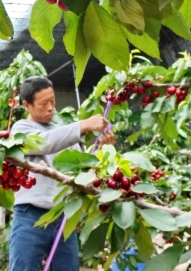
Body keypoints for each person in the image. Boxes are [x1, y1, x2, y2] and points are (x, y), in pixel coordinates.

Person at [9, 76, 115, 271]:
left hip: (63, 218)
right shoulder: (21, 130)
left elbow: (85, 173)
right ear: (27, 105)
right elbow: (45, 142)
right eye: (43, 103)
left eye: (53, 101)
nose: (50, 108)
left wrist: (102, 150)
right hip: (30, 216)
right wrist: (82, 125)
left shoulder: (66, 135)